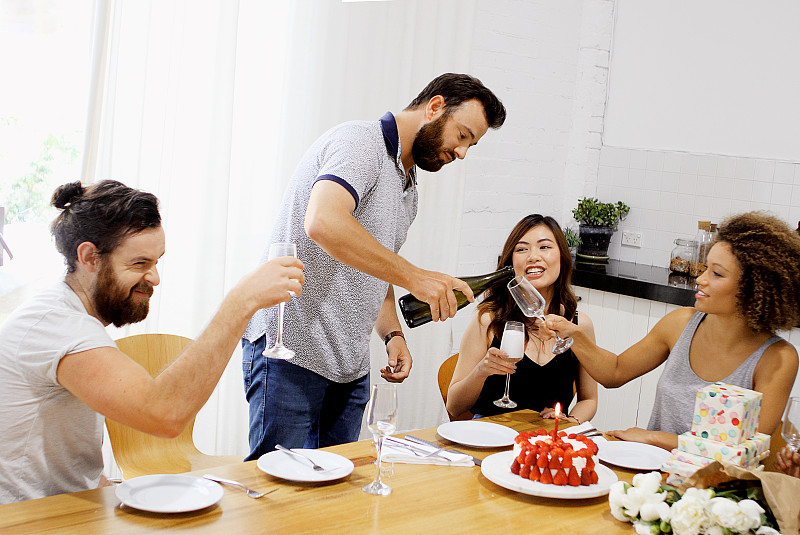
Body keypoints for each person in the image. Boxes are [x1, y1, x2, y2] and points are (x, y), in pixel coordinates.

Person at [241, 73, 506, 458]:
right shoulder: (360, 143)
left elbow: (374, 266)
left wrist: (393, 334)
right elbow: (324, 221)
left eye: (472, 145)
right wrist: (415, 277)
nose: (462, 153)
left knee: (336, 502)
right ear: (434, 108)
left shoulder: (409, 188)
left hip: (349, 367)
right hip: (291, 352)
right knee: (278, 498)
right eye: (462, 135)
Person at [0, 180, 304, 503]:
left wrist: (106, 489)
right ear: (89, 257)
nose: (155, 278)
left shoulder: (70, 317)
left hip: (59, 509)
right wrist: (241, 302)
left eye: (156, 262)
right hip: (25, 520)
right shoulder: (58, 326)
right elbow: (164, 413)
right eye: (140, 264)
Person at [544, 211, 800, 451]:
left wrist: (653, 438)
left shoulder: (777, 358)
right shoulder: (681, 323)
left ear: (755, 289)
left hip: (720, 490)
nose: (701, 279)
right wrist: (573, 334)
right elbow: (615, 372)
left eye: (717, 273)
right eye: (706, 267)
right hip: (653, 474)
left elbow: (747, 448)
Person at [446, 214, 598, 422]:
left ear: (562, 256)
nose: (533, 256)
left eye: (544, 247)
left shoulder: (579, 325)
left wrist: (570, 422)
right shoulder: (488, 320)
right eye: (522, 249)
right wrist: (481, 371)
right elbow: (454, 407)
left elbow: (589, 399)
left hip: (544, 443)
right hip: (489, 438)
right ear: (511, 263)